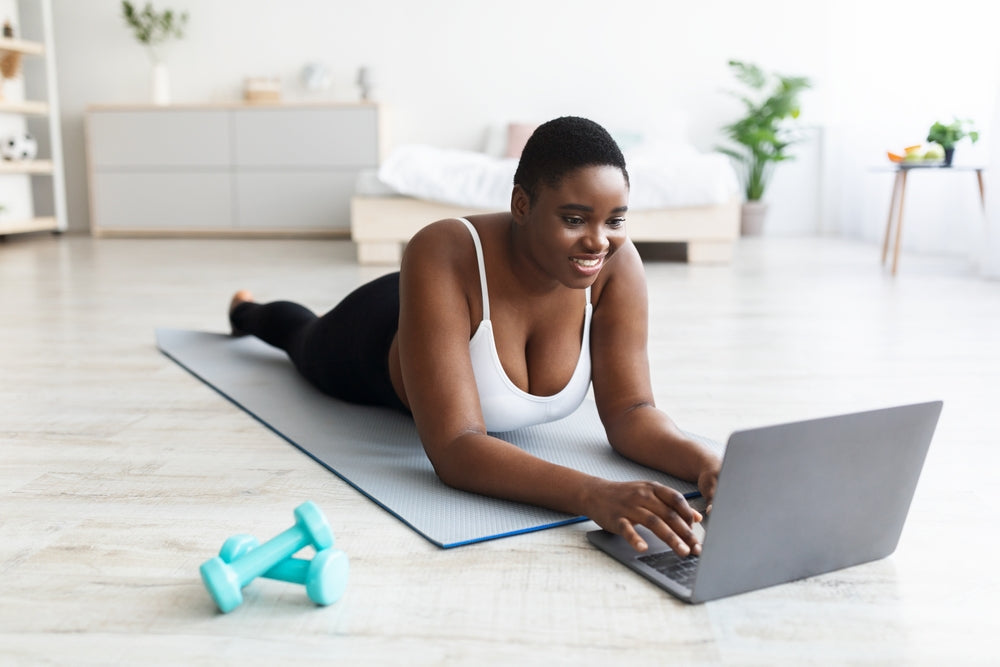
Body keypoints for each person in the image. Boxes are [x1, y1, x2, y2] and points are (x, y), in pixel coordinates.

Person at [229, 116, 722, 555]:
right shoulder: (441, 248)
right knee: (301, 336)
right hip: (378, 328)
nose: (598, 241)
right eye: (574, 219)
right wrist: (593, 492)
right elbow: (456, 447)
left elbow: (632, 413)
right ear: (522, 204)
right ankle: (247, 311)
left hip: (445, 308)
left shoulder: (617, 265)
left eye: (614, 220)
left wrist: (708, 463)